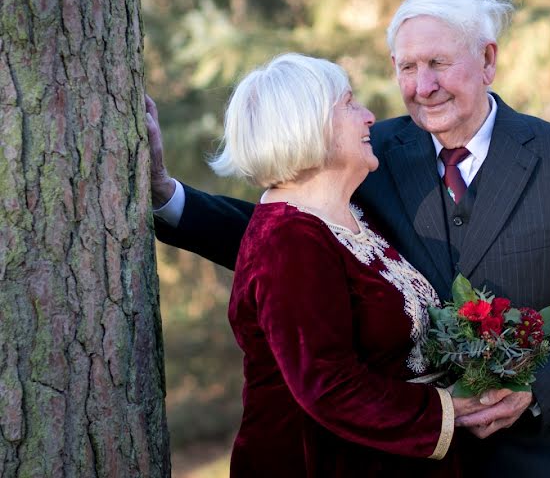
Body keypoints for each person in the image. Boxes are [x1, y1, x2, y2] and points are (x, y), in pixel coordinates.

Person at [150, 0, 550, 477]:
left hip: (542, 454)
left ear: (487, 59)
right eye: (407, 67)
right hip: (411, 453)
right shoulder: (366, 152)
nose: (423, 87)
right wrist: (169, 200)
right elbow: (291, 243)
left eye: (438, 63)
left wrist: (533, 391)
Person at [183, 52, 484, 477]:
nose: (369, 116)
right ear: (308, 125)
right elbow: (328, 384)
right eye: (349, 103)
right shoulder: (287, 239)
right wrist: (447, 411)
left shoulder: (351, 215)